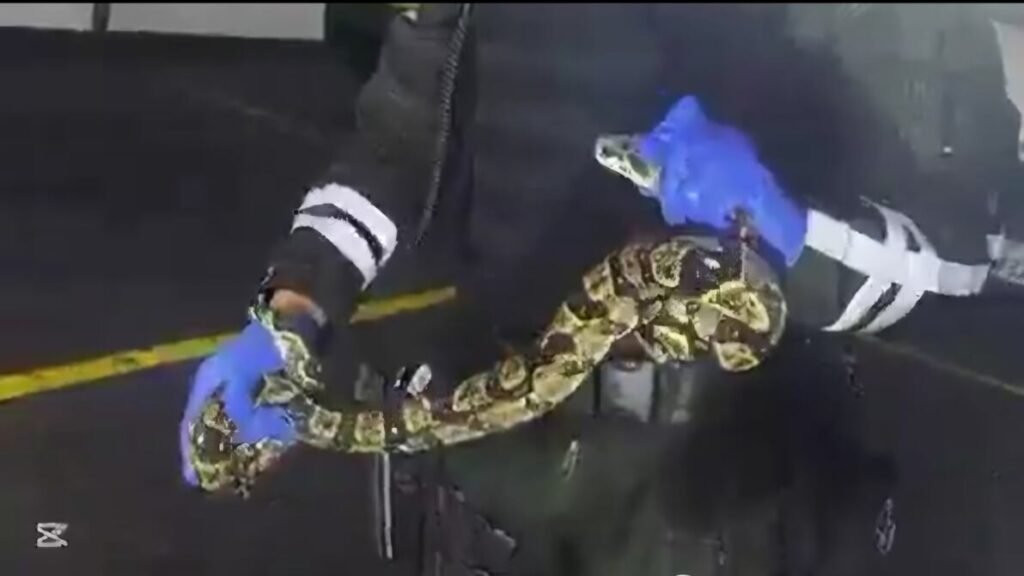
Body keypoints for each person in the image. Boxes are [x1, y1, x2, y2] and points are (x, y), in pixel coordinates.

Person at [179, 4, 1023, 575]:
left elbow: (959, 256)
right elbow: (398, 142)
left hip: (721, 493)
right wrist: (295, 305)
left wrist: (797, 232)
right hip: (494, 480)